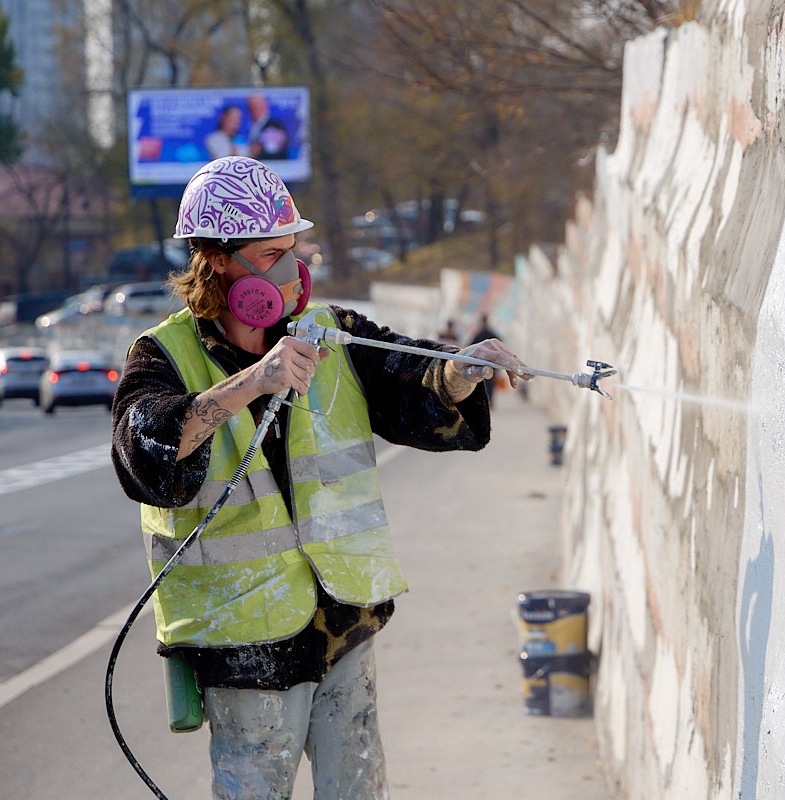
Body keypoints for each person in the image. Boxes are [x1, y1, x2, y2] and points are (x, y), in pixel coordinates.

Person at [110, 156, 528, 799]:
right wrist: (255, 381)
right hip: (245, 637)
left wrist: (458, 371)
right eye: (271, 252)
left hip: (342, 620)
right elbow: (148, 453)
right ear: (217, 259)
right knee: (255, 787)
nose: (290, 269)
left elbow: (410, 382)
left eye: (294, 250)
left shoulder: (329, 332)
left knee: (359, 786)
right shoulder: (162, 355)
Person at [469, 314, 503, 408]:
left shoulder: (481, 334)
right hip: (489, 362)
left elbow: (470, 346)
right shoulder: (490, 334)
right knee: (487, 383)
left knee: (485, 383)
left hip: (484, 363)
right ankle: (487, 402)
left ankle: (486, 402)